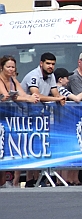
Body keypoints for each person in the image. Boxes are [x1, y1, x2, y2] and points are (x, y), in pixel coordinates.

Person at [21, 52, 66, 187]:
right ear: (41, 63)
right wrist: (56, 99)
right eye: (48, 63)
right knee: (31, 145)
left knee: (41, 144)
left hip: (40, 116)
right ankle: (29, 179)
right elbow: (36, 94)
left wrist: (60, 99)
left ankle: (39, 178)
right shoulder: (33, 75)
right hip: (24, 115)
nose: (51, 66)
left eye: (53, 64)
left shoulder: (51, 76)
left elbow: (55, 93)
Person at [0, 55, 37, 189]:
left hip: (10, 120)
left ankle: (6, 181)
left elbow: (22, 94)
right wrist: (26, 99)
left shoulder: (13, 80)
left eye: (13, 67)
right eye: (8, 67)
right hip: (1, 120)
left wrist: (32, 97)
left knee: (7, 150)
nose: (11, 69)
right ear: (1, 67)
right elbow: (6, 96)